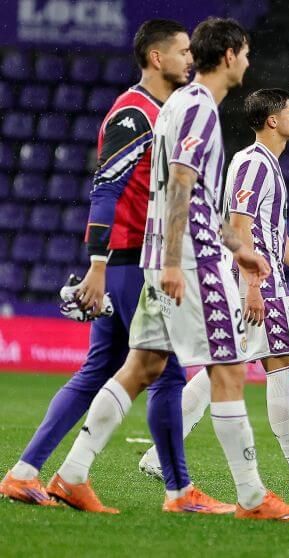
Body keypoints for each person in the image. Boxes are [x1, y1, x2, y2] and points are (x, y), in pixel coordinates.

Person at [44, 17, 289, 522]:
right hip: (190, 262)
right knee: (228, 371)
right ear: (229, 56)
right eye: (246, 53)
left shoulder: (177, 104)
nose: (248, 62)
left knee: (141, 367)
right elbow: (182, 186)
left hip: (161, 257)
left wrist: (239, 248)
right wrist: (175, 261)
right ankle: (252, 497)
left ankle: (72, 474)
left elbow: (201, 197)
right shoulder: (200, 109)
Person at [0, 19, 194, 507]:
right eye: (183, 51)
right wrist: (98, 265)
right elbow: (104, 190)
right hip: (130, 262)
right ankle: (180, 491)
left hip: (133, 260)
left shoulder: (161, 112)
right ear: (156, 58)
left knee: (99, 369)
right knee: (167, 372)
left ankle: (25, 473)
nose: (190, 60)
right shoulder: (134, 114)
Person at [138, 88, 289, 492]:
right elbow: (239, 227)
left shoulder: (262, 163)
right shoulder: (255, 163)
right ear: (273, 120)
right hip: (255, 283)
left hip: (247, 280)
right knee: (283, 368)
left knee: (221, 369)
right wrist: (254, 285)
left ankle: (157, 453)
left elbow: (272, 233)